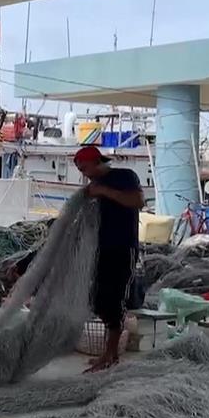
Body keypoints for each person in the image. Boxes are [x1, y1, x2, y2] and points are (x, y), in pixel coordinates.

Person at [75, 146, 144, 373]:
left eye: (84, 168)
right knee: (98, 299)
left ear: (96, 161)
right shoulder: (93, 187)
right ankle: (109, 352)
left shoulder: (124, 176)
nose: (84, 174)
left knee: (113, 299)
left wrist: (103, 191)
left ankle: (111, 353)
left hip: (123, 248)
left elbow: (137, 201)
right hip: (101, 249)